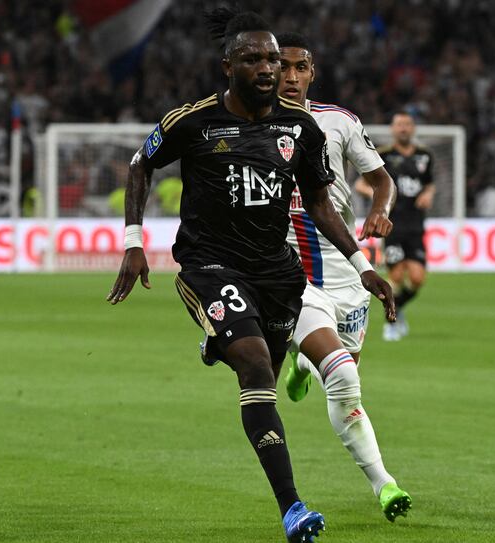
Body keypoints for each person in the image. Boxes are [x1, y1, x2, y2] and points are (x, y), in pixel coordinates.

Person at [106, 8, 395, 542]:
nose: (268, 68)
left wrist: (364, 266)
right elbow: (139, 164)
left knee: (264, 360)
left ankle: (223, 339)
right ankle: (293, 508)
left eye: (271, 58)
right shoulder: (190, 122)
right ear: (227, 66)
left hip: (278, 274)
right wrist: (133, 242)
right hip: (209, 265)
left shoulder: (300, 128)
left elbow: (321, 205)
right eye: (254, 59)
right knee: (257, 367)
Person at [276, 32, 412, 522]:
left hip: (347, 270)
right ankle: (385, 484)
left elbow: (381, 180)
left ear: (312, 74)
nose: (290, 77)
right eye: (282, 66)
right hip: (287, 277)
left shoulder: (339, 122)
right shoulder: (248, 127)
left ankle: (302, 363)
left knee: (341, 370)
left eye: (300, 68)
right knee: (345, 378)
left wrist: (381, 210)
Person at [356, 112, 434, 341]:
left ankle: (397, 308)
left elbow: (429, 184)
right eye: (399, 124)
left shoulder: (425, 156)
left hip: (416, 225)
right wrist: (382, 198)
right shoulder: (383, 156)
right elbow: (361, 184)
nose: (403, 128)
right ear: (392, 129)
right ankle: (391, 322)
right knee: (397, 275)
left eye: (407, 124)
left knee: (418, 279)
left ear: (413, 129)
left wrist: (428, 194)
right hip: (392, 225)